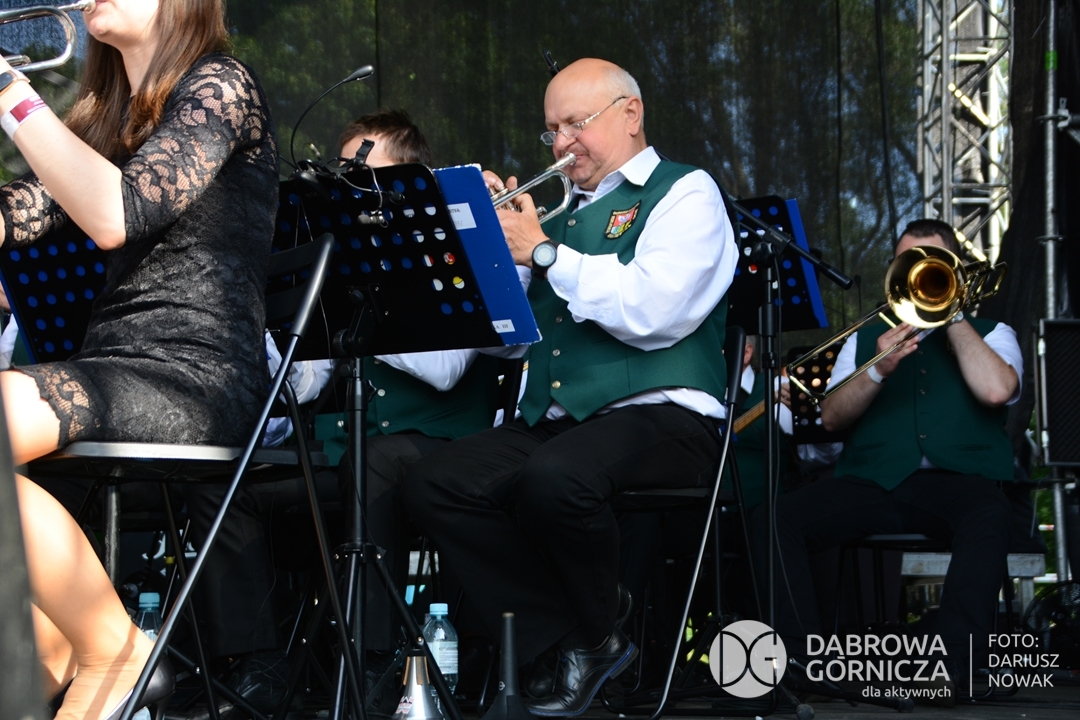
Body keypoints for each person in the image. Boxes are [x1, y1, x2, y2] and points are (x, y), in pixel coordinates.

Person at [402, 57, 738, 716]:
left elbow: (655, 311)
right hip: (566, 423)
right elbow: (505, 339)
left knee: (554, 477)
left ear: (631, 114)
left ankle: (587, 631)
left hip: (666, 415)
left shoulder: (685, 192)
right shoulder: (552, 216)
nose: (561, 144)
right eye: (552, 130)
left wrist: (545, 252)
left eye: (575, 124)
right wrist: (488, 247)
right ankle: (584, 633)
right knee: (433, 482)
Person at [0, 1, 278, 718]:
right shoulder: (107, 116)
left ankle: (115, 651)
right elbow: (25, 208)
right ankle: (59, 648)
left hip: (195, 376)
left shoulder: (222, 85)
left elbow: (116, 213)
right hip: (113, 366)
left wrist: (10, 94)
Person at [177, 109, 501, 716]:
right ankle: (256, 666)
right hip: (353, 450)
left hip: (439, 448)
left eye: (368, 172)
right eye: (347, 172)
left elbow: (447, 368)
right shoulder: (346, 260)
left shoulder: (450, 248)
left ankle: (374, 665)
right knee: (223, 482)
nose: (353, 186)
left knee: (371, 466)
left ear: (411, 180)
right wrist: (267, 333)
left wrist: (362, 302)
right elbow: (305, 384)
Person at [754, 218, 1021, 679]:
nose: (920, 271)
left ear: (957, 269)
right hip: (872, 482)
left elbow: (997, 390)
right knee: (773, 519)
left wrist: (952, 313)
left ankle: (955, 666)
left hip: (958, 483)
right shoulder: (862, 340)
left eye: (934, 263)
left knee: (990, 515)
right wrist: (878, 368)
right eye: (908, 262)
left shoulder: (994, 332)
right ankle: (798, 663)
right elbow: (832, 417)